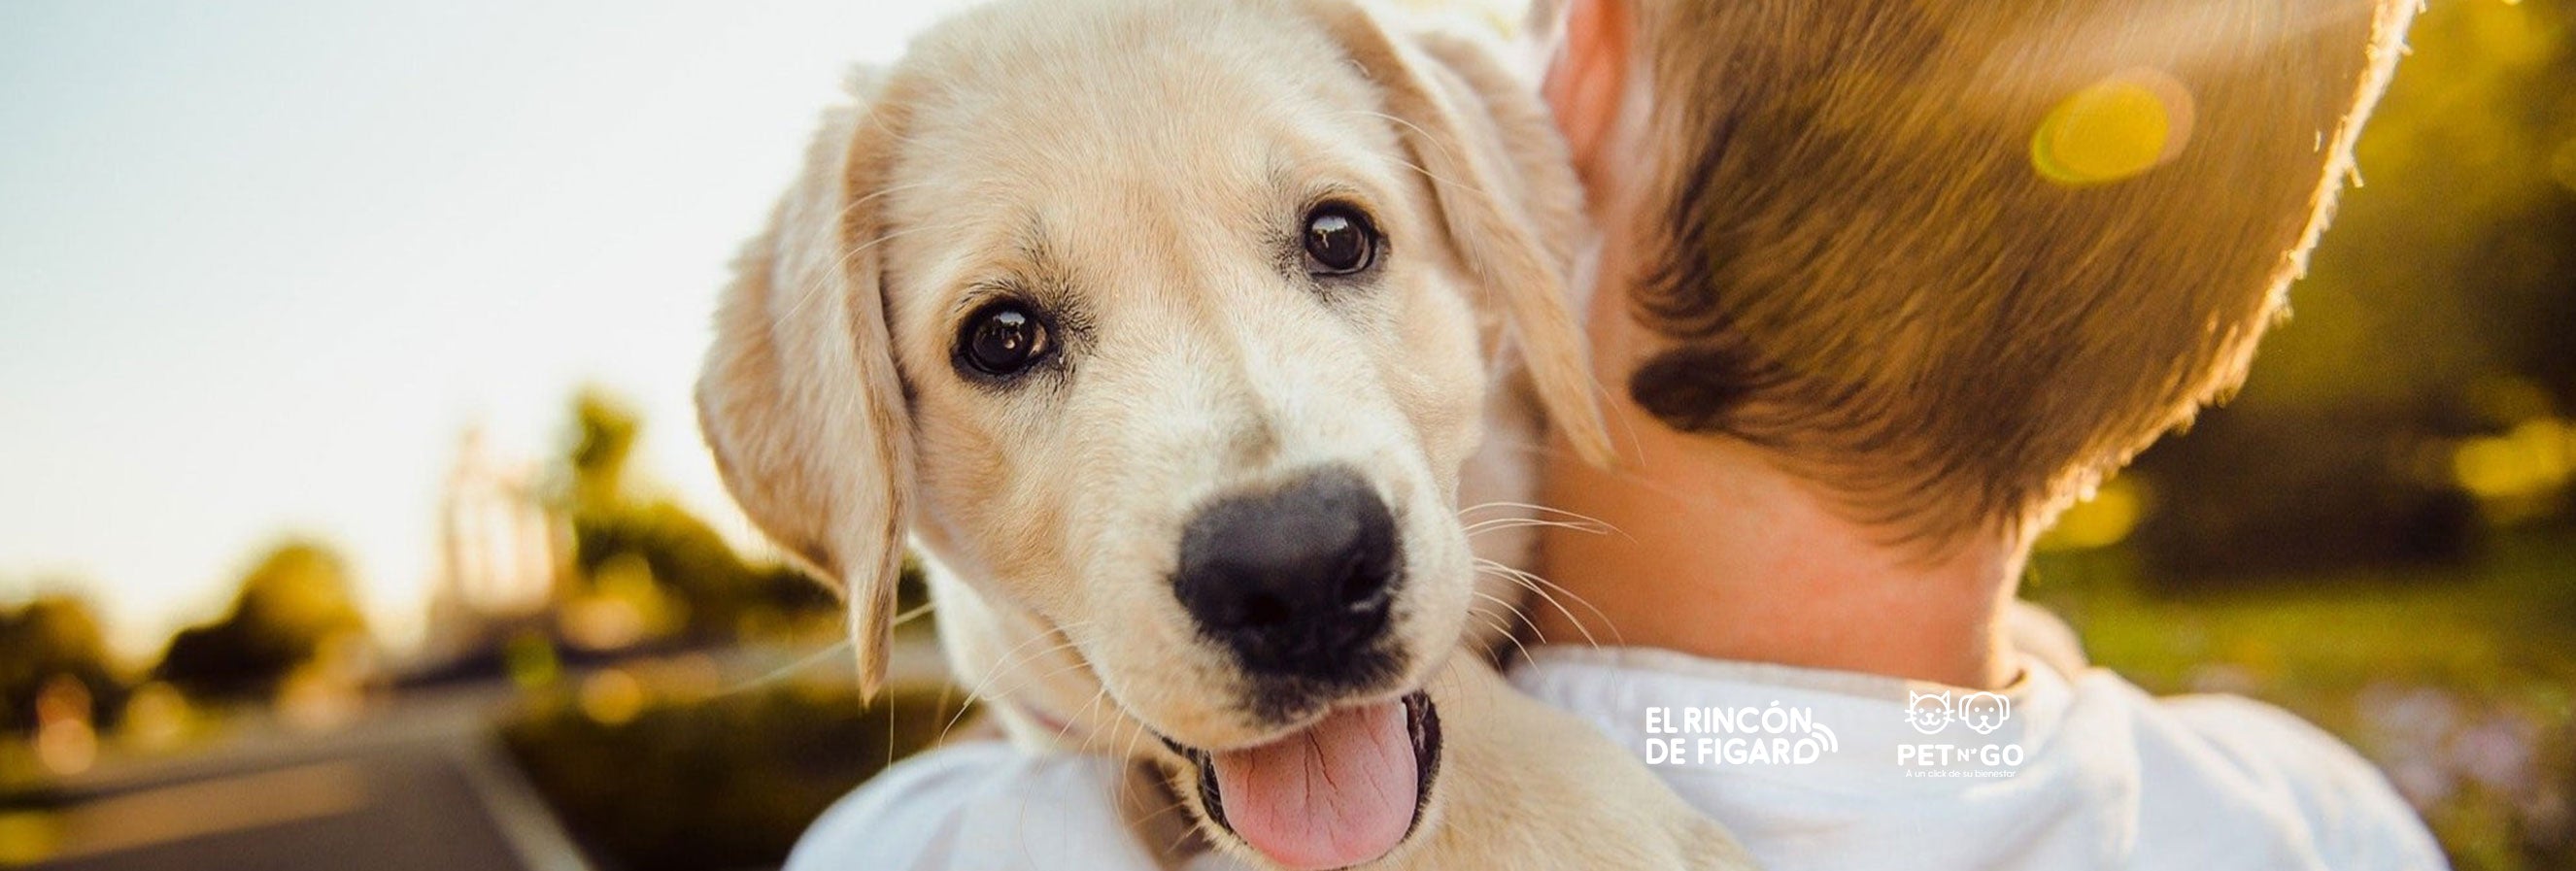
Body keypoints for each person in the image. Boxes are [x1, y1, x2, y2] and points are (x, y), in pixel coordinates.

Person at [789, 0, 2446, 867]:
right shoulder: (2320, 819)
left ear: (1576, 73)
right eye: (1009, 336)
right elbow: (1879, 750)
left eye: (1340, 240)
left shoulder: (936, 850)